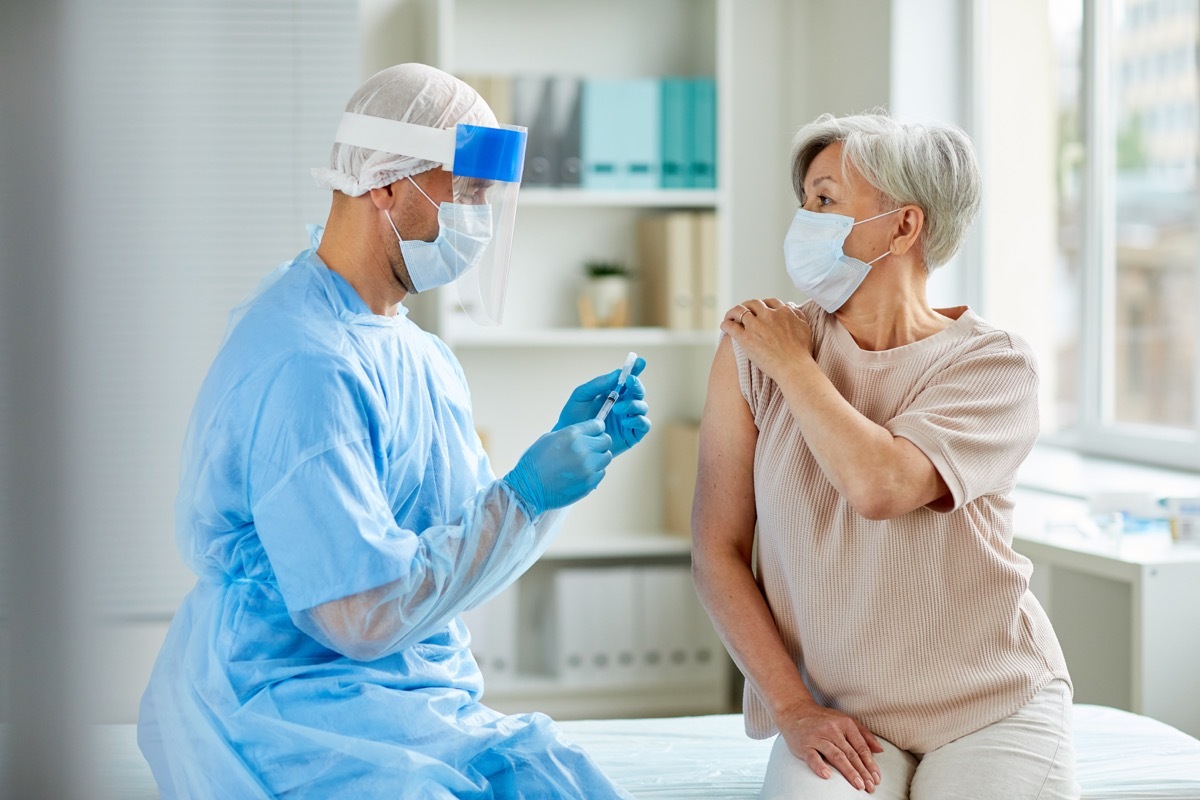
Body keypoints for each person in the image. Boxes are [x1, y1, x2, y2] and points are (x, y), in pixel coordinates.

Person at [137, 63, 649, 799]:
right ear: (385, 182)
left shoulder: (413, 352)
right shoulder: (306, 364)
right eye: (463, 191)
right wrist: (529, 494)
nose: (477, 217)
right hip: (291, 710)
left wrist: (549, 475)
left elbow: (457, 552)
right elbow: (361, 615)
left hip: (405, 697)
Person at [691, 111, 1078, 799]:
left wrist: (796, 366)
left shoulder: (993, 365)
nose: (806, 218)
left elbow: (880, 486)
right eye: (807, 198)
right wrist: (793, 708)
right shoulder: (752, 349)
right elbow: (716, 549)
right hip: (839, 714)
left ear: (904, 226)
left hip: (992, 707)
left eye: (827, 199)